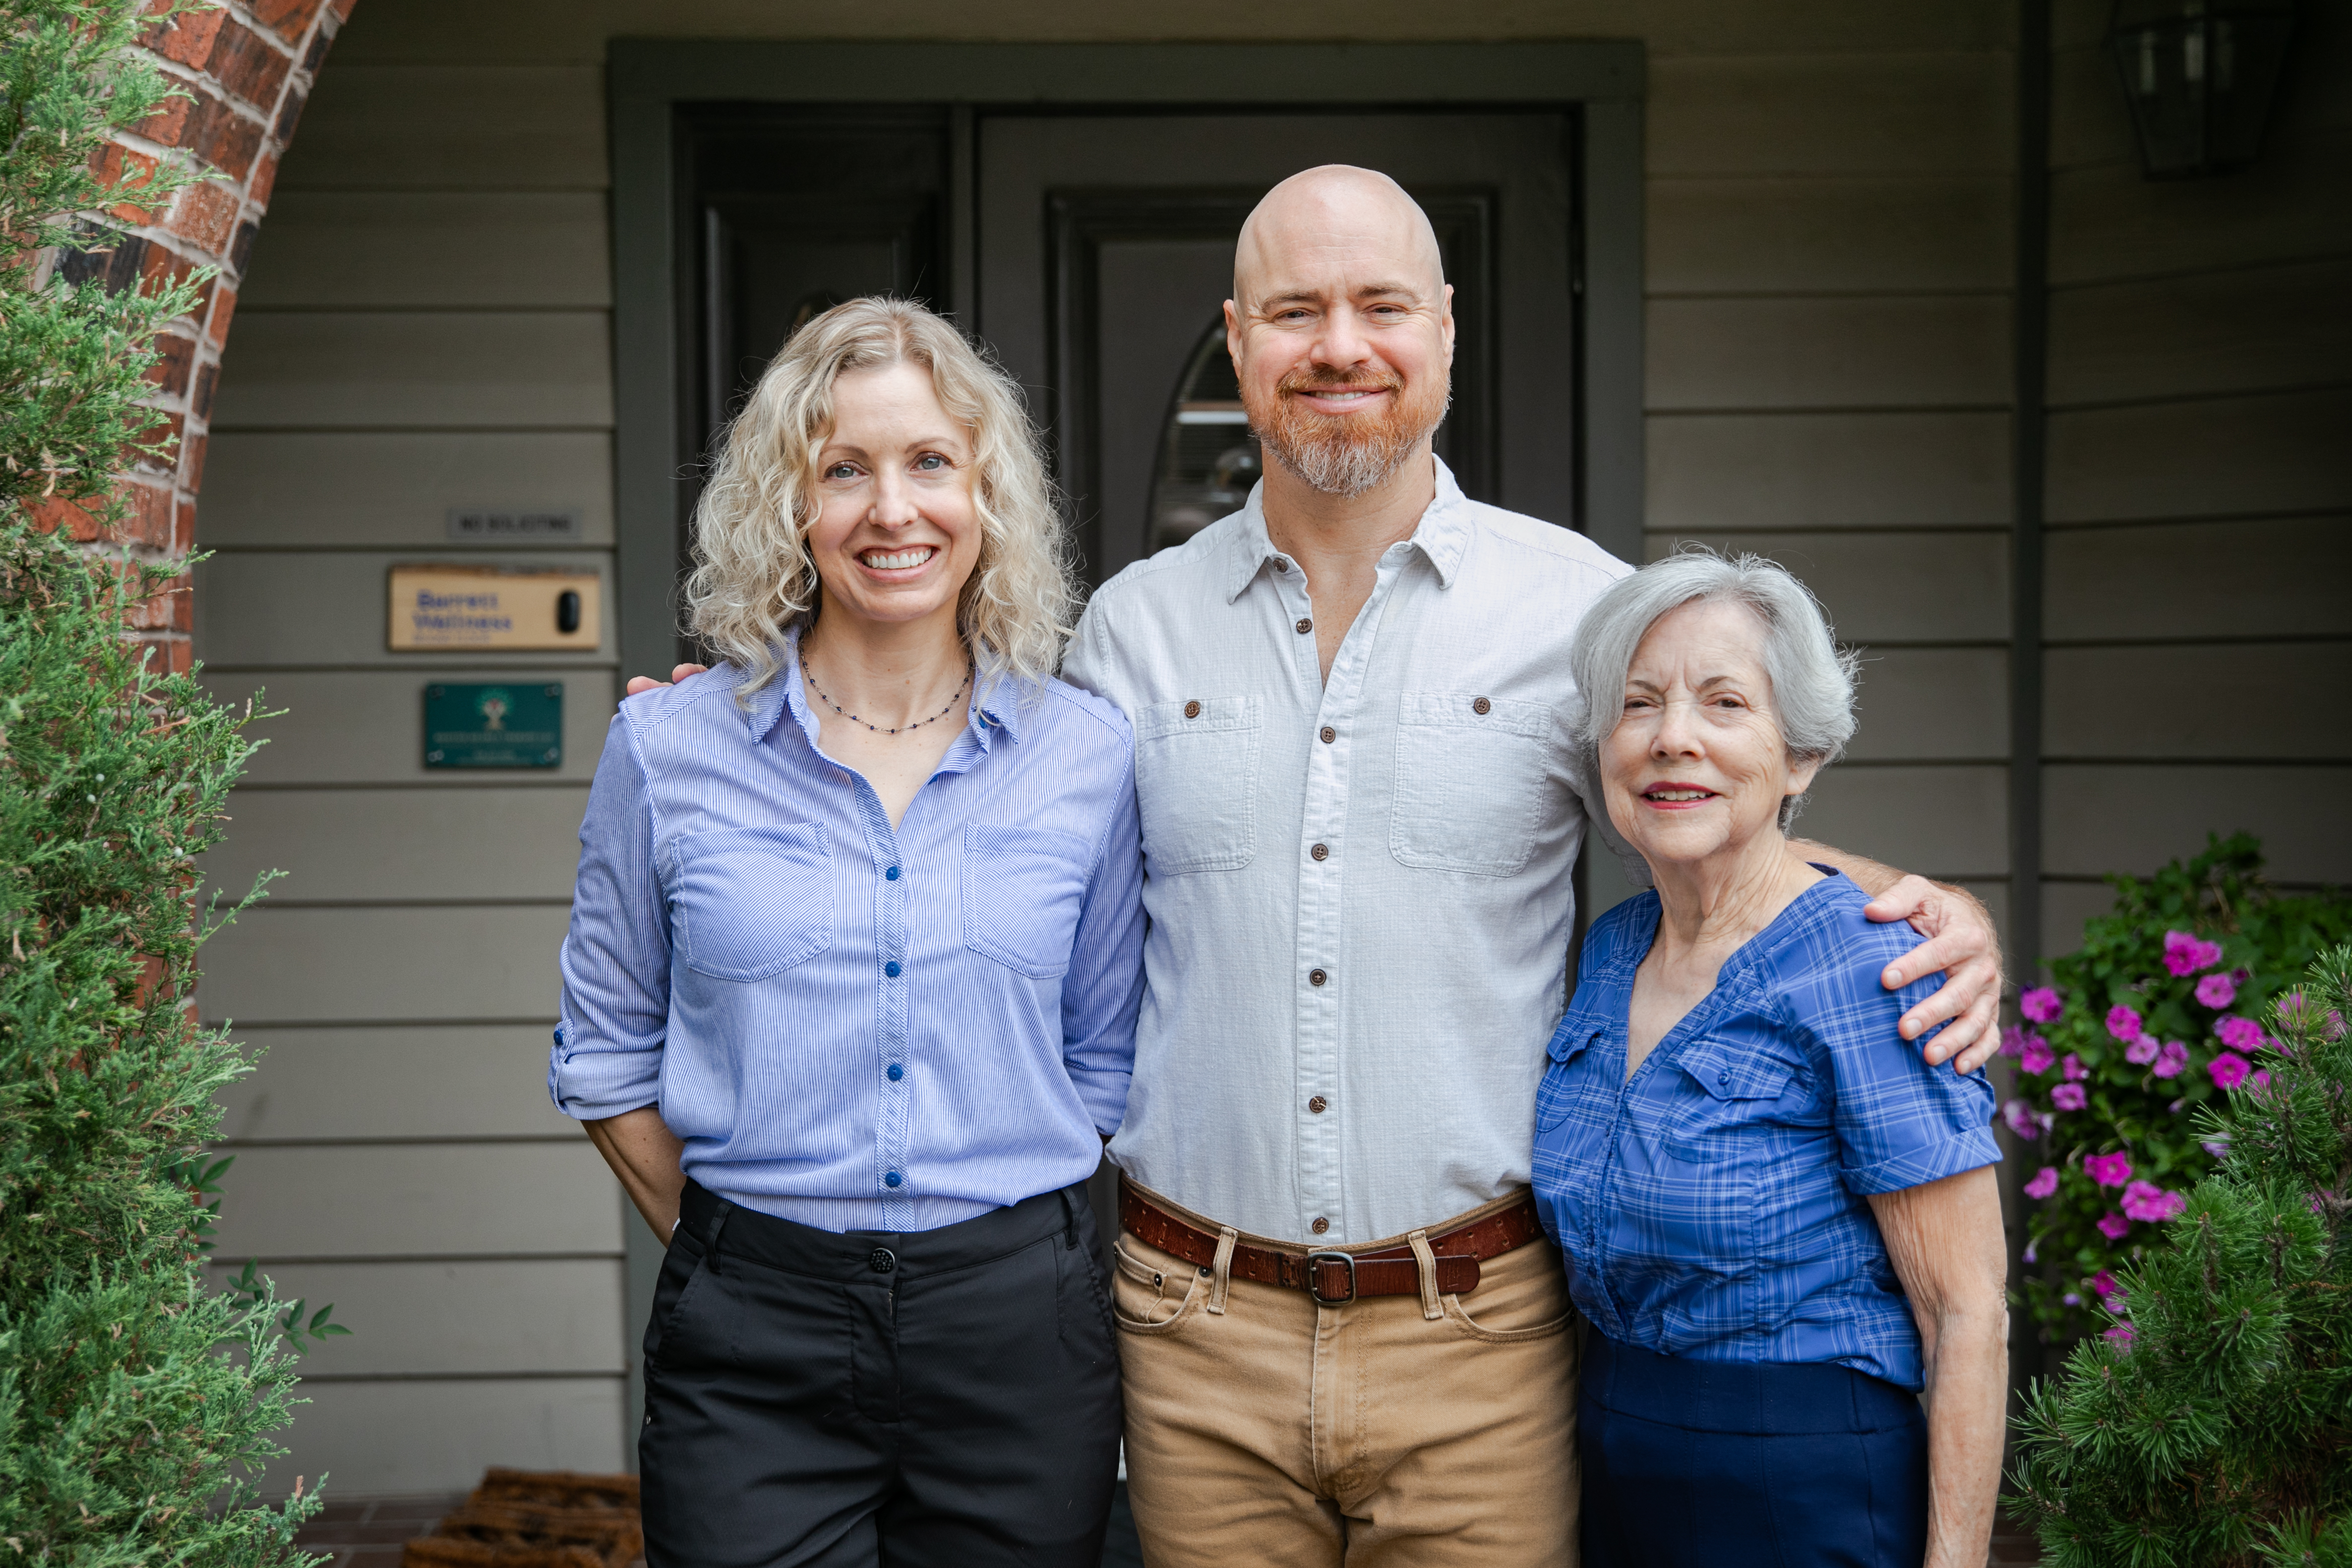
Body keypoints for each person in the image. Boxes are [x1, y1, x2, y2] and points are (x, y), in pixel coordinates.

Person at [632, 167, 2009, 1566]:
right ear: (1238, 341)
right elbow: (942, 775)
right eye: (1296, 310)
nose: (1340, 345)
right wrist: (735, 722)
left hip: (1478, 1336)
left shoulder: (1579, 611)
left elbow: (1716, 804)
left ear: (1446, 331)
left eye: (1381, 305)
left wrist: (1920, 906)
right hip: (1191, 1333)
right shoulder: (1128, 634)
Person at [554, 297, 1144, 1568]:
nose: (893, 510)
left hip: (1017, 1339)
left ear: (986, 497)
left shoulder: (1086, 757)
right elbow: (604, 1055)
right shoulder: (666, 751)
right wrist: (747, 1254)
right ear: (789, 508)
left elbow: (1099, 1061)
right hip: (751, 1335)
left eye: (931, 462)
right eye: (844, 471)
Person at [1533, 548, 2006, 1568]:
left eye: (1722, 704)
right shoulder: (1611, 951)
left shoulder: (1871, 963)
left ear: (1798, 756)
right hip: (1611, 1458)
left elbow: (1964, 1311)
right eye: (1638, 704)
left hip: (1803, 1484)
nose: (1672, 741)